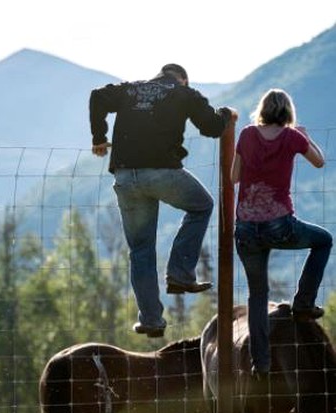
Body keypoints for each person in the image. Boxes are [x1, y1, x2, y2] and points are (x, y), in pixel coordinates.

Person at [89, 63, 235, 338]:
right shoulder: (183, 93)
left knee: (140, 250)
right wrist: (225, 115)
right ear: (183, 79)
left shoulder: (131, 89)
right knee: (201, 205)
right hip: (161, 173)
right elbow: (213, 127)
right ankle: (180, 271)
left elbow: (97, 95)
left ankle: (151, 320)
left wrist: (99, 137)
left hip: (124, 176)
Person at [231, 88, 332, 376]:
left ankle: (259, 363)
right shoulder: (292, 137)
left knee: (257, 295)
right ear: (287, 112)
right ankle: (303, 302)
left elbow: (234, 177)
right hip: (280, 224)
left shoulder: (247, 134)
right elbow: (320, 161)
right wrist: (304, 135)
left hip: (246, 227)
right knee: (323, 240)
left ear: (262, 109)